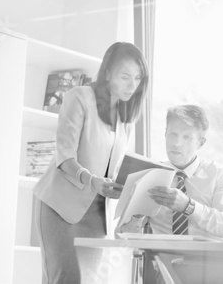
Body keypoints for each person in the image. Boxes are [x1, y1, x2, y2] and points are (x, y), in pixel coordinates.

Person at [33, 42, 149, 284]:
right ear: (107, 73)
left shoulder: (126, 118)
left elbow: (112, 168)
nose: (132, 85)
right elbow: (65, 157)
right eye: (125, 76)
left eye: (138, 78)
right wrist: (92, 181)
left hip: (96, 214)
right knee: (66, 279)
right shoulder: (80, 97)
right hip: (61, 208)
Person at [119, 104, 223, 283]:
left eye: (187, 137)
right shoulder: (149, 174)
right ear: (165, 133)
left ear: (201, 142)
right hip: (168, 270)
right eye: (173, 134)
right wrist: (136, 214)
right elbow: (126, 237)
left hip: (215, 268)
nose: (177, 143)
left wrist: (188, 206)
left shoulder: (221, 174)